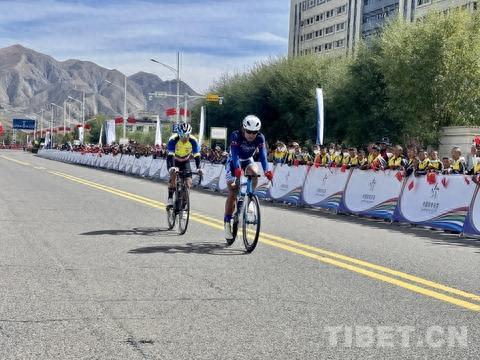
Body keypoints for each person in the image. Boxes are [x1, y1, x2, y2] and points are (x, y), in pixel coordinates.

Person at [223, 115, 273, 240]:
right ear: (243, 129)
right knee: (233, 192)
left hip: (247, 160)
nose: (251, 135)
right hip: (234, 161)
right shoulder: (236, 135)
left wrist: (267, 170)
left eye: (254, 132)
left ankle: (250, 198)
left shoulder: (260, 138)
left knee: (254, 172)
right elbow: (234, 154)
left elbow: (262, 155)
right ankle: (227, 222)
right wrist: (237, 168)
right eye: (249, 132)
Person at [166, 123, 203, 207]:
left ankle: (183, 207)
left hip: (185, 161)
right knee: (173, 176)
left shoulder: (193, 140)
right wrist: (172, 167)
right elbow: (171, 155)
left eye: (187, 135)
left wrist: (199, 168)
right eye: (182, 135)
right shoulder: (173, 139)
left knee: (188, 183)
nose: (185, 137)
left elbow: (197, 155)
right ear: (179, 134)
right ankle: (170, 198)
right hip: (174, 160)